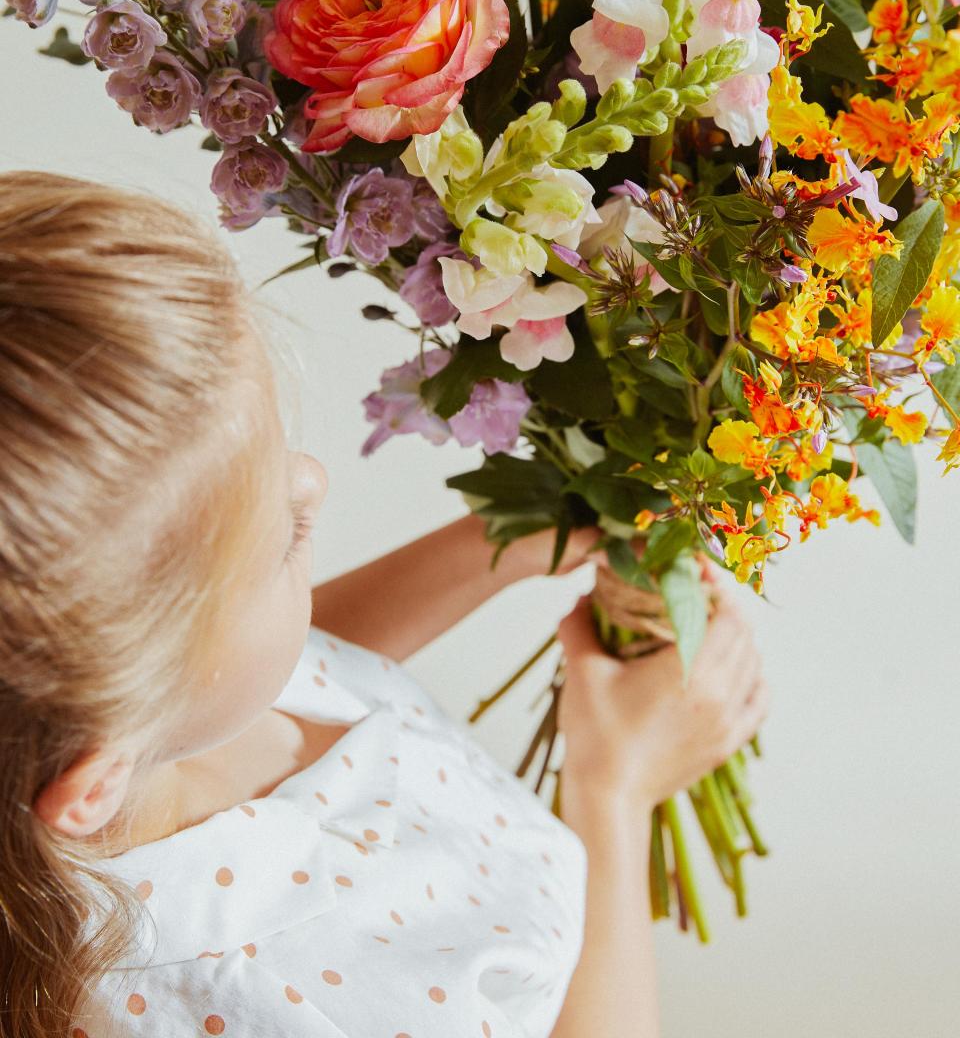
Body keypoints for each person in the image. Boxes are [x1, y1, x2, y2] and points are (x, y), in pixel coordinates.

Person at [0, 171, 768, 1038]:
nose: (312, 480)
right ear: (96, 778)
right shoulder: (269, 998)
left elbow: (297, 660)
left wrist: (502, 540)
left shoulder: (135, 729)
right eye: (279, 537)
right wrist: (616, 793)